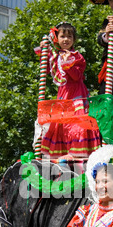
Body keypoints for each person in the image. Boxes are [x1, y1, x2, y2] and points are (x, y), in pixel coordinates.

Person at [38, 22, 101, 159]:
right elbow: (48, 71)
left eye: (69, 36)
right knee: (61, 123)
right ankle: (64, 152)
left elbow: (76, 76)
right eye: (62, 36)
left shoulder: (77, 57)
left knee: (77, 122)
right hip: (63, 94)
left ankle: (77, 153)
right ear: (57, 39)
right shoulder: (55, 56)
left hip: (77, 93)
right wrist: (44, 53)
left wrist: (68, 65)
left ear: (74, 39)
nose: (66, 39)